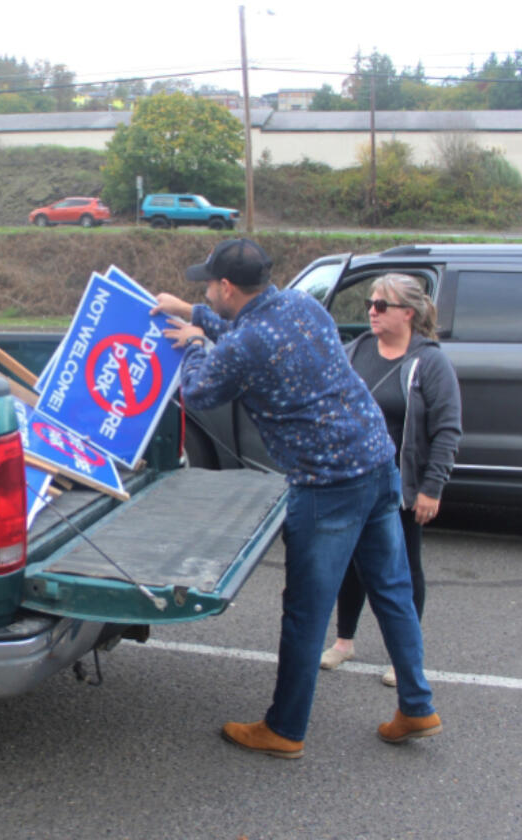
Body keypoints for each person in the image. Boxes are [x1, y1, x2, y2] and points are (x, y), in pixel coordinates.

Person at [151, 239, 440, 759]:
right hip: (377, 463)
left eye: (207, 287)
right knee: (392, 591)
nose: (206, 291)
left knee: (306, 612)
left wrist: (193, 343)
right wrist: (193, 313)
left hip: (326, 483)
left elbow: (199, 392)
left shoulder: (245, 343)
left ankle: (284, 729)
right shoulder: (301, 306)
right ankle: (417, 707)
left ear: (227, 287)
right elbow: (253, 336)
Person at [320, 274, 462, 686]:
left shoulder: (430, 362)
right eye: (370, 303)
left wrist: (431, 489)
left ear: (408, 313)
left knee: (402, 569)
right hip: (351, 482)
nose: (372, 311)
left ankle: (404, 657)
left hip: (399, 490)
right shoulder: (358, 349)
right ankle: (344, 642)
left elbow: (448, 431)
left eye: (382, 305)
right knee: (350, 565)